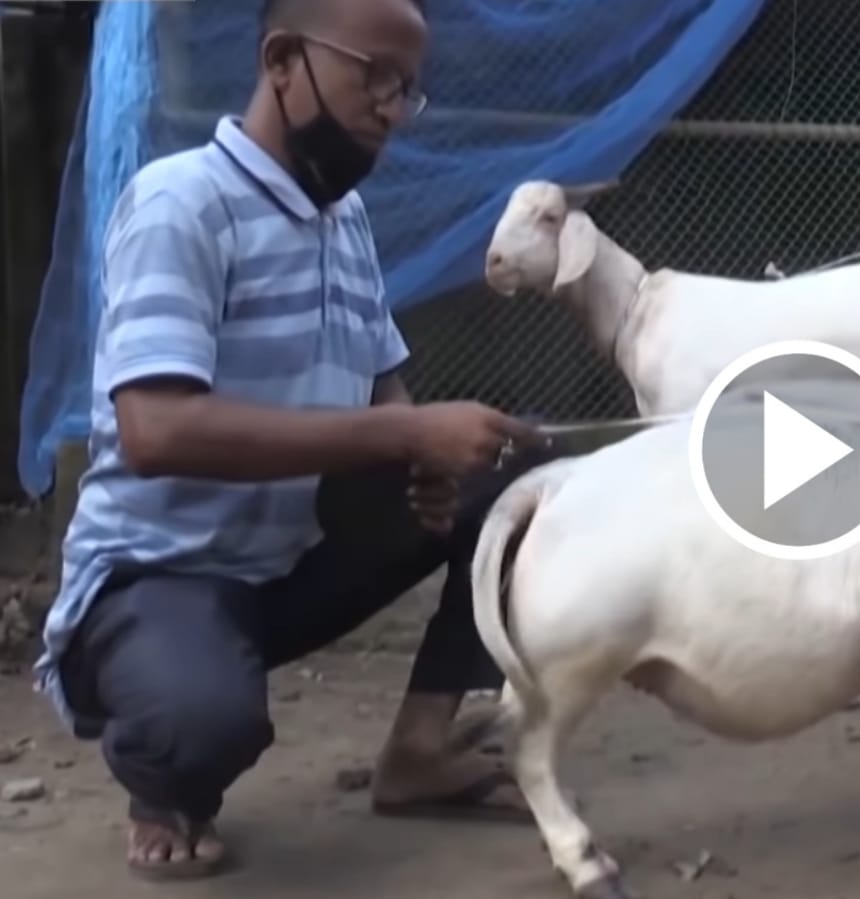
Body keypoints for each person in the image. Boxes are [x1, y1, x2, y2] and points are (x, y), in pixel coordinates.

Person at [32, 0, 554, 880]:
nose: (392, 107)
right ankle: (165, 775)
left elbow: (383, 382)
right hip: (158, 575)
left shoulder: (343, 222)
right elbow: (155, 429)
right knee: (199, 724)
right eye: (374, 76)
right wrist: (402, 430)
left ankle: (420, 749)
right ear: (281, 61)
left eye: (407, 88)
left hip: (284, 562)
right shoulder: (182, 204)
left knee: (521, 475)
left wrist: (423, 460)